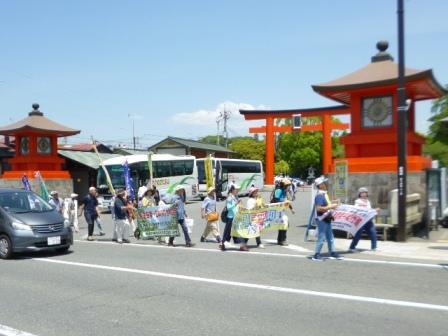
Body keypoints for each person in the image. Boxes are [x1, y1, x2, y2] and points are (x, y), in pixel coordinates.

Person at [311, 176, 343, 261]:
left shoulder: (324, 194)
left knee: (330, 237)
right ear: (320, 185)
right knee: (321, 237)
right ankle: (316, 255)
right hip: (322, 219)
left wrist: (334, 202)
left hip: (326, 218)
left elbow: (326, 204)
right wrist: (332, 206)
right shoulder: (320, 195)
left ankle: (333, 252)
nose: (326, 184)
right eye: (324, 183)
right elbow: (319, 208)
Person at [349, 187, 378, 252]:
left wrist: (374, 210)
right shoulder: (357, 201)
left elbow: (369, 210)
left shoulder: (368, 202)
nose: (364, 194)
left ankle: (374, 247)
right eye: (362, 193)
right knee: (358, 234)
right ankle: (352, 247)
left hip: (368, 220)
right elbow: (356, 210)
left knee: (373, 233)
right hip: (360, 221)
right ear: (360, 194)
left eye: (365, 192)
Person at [221, 184, 248, 251]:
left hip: (236, 216)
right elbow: (229, 207)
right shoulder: (230, 197)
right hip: (230, 217)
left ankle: (224, 244)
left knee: (234, 232)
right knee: (229, 232)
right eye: (236, 189)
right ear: (232, 189)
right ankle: (223, 244)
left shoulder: (235, 196)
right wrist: (236, 203)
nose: (237, 191)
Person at [271, 179, 295, 246]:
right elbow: (276, 199)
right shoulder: (279, 190)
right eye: (287, 185)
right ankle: (282, 240)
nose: (288, 187)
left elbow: (286, 201)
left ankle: (280, 240)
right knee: (284, 224)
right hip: (277, 210)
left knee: (284, 224)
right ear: (284, 185)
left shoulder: (284, 191)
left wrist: (291, 209)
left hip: (281, 210)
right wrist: (282, 203)